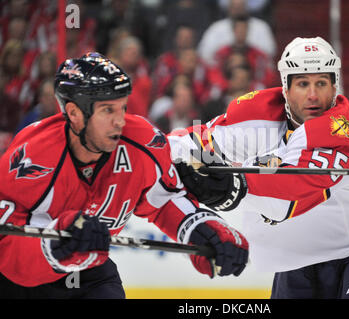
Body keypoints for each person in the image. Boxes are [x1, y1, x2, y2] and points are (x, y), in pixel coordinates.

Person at [169, 37, 349, 299]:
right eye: (303, 84)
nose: (313, 95)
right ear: (286, 89)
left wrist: (229, 185)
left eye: (321, 83)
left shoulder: (341, 128)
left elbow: (290, 195)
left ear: (334, 87)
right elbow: (188, 146)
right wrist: (146, 158)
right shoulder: (257, 114)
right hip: (300, 260)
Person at [0, 52, 249, 299]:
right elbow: (6, 244)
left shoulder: (141, 142)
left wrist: (203, 230)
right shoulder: (31, 157)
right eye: (108, 110)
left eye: (122, 107)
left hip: (87, 267)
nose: (120, 121)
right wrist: (56, 247)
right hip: (19, 281)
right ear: (74, 114)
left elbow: (163, 199)